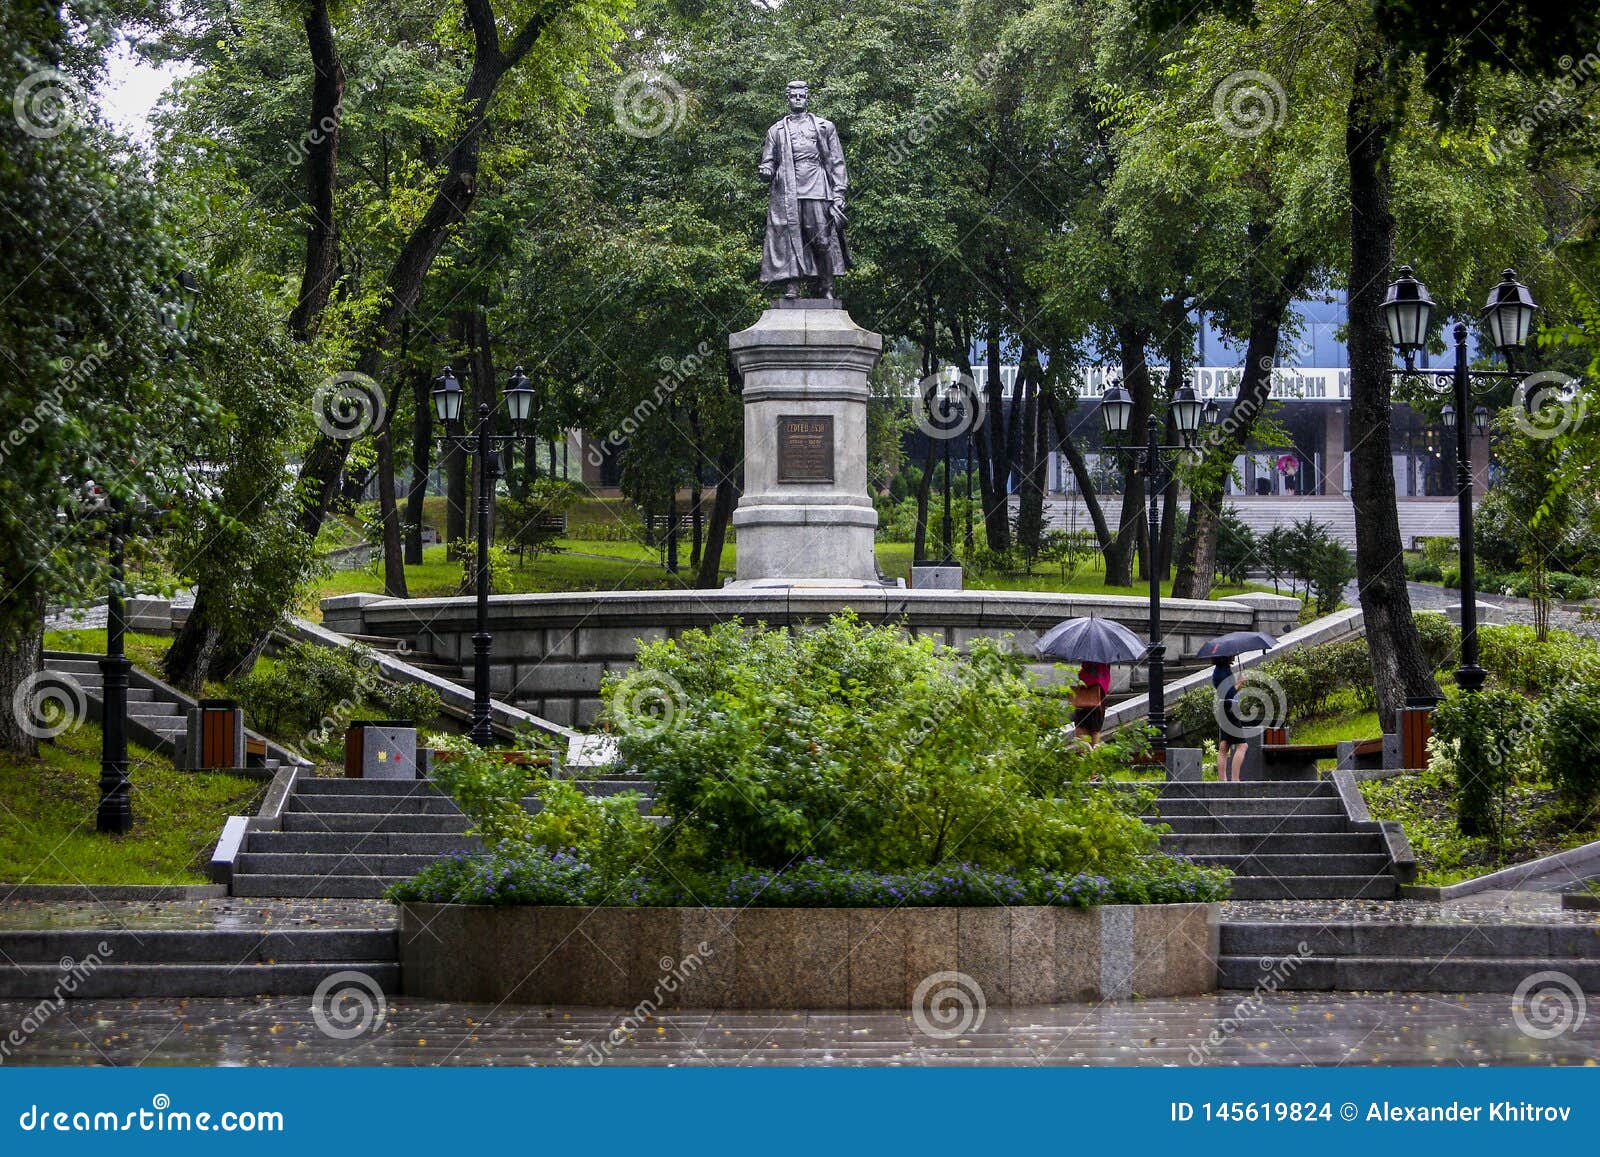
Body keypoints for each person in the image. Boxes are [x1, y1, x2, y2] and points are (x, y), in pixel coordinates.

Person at [757, 80, 850, 299]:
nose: (797, 99)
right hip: (787, 190)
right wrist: (766, 170)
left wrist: (839, 193)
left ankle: (826, 286)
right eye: (793, 96)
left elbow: (836, 162)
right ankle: (792, 285)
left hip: (817, 187)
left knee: (821, 240)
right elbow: (768, 161)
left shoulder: (824, 126)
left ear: (807, 98)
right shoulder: (776, 130)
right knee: (789, 238)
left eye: (801, 96)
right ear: (787, 98)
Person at [1213, 659, 1250, 781]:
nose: (1234, 655)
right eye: (1232, 654)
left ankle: (1222, 780)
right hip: (1229, 707)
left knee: (1224, 745)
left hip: (1225, 707)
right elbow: (1229, 693)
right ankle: (1235, 780)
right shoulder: (1222, 672)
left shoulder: (1220, 669)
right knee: (1242, 746)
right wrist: (1240, 682)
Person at [1073, 660, 1111, 745]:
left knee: (1082, 727)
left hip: (1088, 694)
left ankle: (1085, 755)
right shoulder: (1105, 658)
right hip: (1100, 694)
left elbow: (1087, 676)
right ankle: (1094, 755)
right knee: (1095, 729)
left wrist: (1081, 673)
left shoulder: (1090, 657)